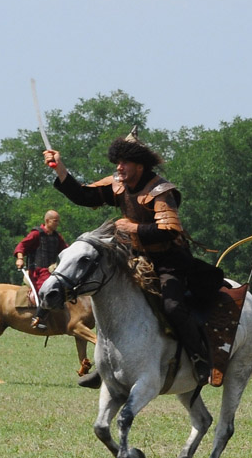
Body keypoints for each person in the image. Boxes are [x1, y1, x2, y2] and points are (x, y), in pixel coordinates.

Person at [44, 126, 220, 388]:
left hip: (170, 261)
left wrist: (135, 228)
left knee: (172, 307)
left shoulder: (160, 190)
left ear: (140, 165)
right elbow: (84, 195)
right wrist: (61, 170)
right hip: (135, 257)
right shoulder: (119, 184)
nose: (120, 168)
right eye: (117, 162)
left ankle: (200, 359)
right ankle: (107, 366)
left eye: (125, 162)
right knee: (109, 300)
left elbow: (170, 230)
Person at [14, 210, 69, 330]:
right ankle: (38, 318)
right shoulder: (36, 234)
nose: (57, 224)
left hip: (51, 272)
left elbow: (65, 250)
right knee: (48, 290)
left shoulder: (56, 237)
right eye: (55, 221)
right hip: (37, 272)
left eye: (58, 221)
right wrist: (19, 258)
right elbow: (21, 246)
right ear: (47, 221)